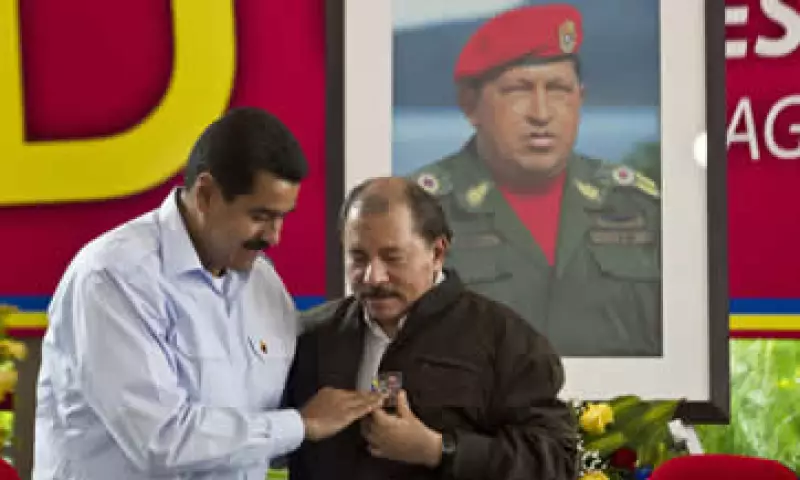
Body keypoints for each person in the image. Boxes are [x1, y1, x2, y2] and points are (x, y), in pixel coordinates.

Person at [32, 107, 384, 480]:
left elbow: (268, 425)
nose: (274, 237)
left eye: (283, 217)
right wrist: (300, 425)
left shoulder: (263, 283)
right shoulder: (114, 277)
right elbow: (160, 441)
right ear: (205, 195)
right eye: (261, 216)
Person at [407, 4, 662, 357]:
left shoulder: (639, 205)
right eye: (518, 91)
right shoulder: (416, 211)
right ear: (470, 106)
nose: (541, 113)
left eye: (558, 89)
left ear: (580, 100)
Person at [285, 177, 578, 480]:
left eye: (392, 258)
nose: (373, 277)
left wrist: (439, 449)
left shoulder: (505, 340)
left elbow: (556, 462)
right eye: (358, 257)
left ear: (437, 252)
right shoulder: (311, 335)